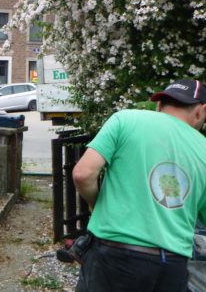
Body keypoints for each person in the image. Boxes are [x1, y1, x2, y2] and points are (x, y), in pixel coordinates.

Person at [72, 79, 206, 292]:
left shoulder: (126, 120)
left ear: (159, 105)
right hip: (172, 266)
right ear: (201, 111)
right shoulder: (203, 148)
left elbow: (82, 174)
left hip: (115, 255)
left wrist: (97, 204)